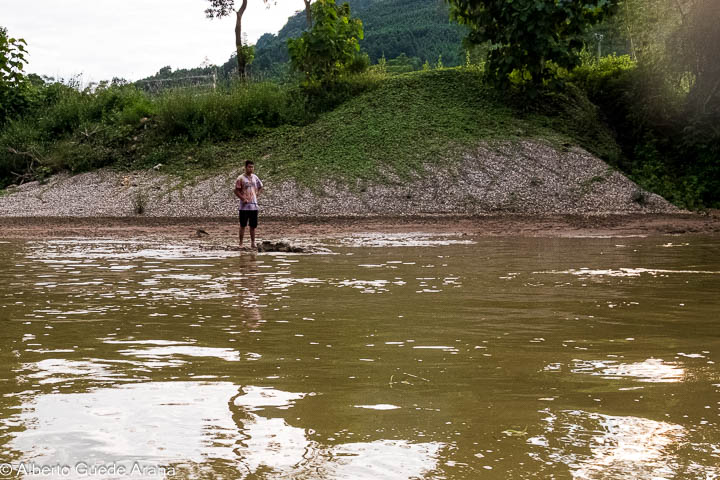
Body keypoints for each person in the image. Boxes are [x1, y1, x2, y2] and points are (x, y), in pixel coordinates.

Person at [234, 160, 263, 249]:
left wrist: (256, 195)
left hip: (254, 206)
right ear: (245, 167)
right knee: (243, 225)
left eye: (252, 167)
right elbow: (236, 190)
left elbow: (260, 186)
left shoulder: (255, 177)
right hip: (244, 207)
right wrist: (243, 199)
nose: (251, 169)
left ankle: (253, 243)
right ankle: (241, 243)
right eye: (249, 167)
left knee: (253, 226)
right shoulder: (240, 178)